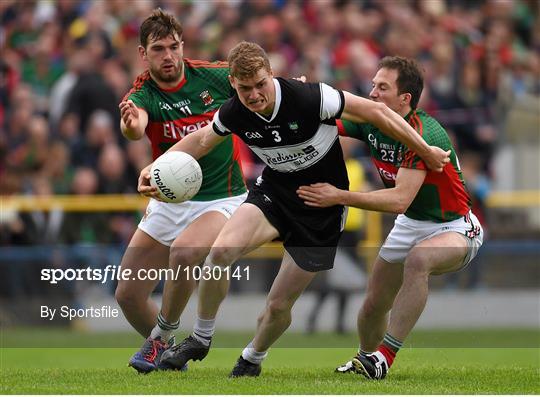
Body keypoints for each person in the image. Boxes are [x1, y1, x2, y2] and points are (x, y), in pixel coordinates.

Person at [139, 42, 451, 377]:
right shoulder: (234, 111)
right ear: (233, 83)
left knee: (277, 305)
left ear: (271, 75)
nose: (255, 94)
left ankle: (252, 358)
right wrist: (156, 166)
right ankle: (200, 338)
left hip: (322, 206)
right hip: (275, 191)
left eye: (261, 84)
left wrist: (425, 150)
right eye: (245, 88)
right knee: (219, 253)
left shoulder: (309, 97)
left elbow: (376, 112)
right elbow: (202, 140)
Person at [296, 56, 484, 380]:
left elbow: (399, 200)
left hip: (454, 226)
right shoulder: (373, 121)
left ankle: (384, 358)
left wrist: (339, 195)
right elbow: (327, 119)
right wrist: (302, 98)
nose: (372, 93)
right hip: (410, 223)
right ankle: (365, 359)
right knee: (372, 305)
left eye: (382, 87)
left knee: (419, 260)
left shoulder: (425, 134)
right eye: (372, 85)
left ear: (404, 99)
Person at [116, 8, 248, 373]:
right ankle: (172, 356)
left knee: (186, 253)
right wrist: (130, 124)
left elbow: (261, 83)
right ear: (143, 53)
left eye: (174, 47)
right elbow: (135, 125)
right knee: (128, 295)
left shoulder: (215, 76)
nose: (169, 56)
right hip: (170, 201)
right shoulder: (142, 93)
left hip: (222, 199)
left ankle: (158, 341)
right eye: (158, 49)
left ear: (183, 45)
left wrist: (291, 86)